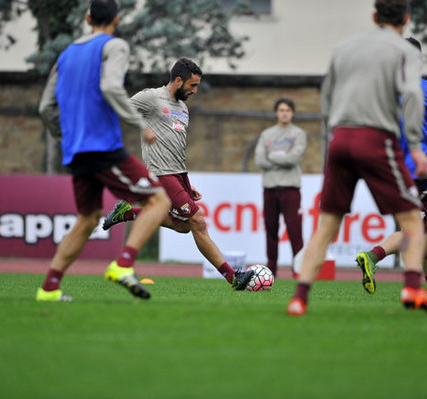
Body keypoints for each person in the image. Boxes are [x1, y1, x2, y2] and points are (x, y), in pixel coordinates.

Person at [287, 0, 427, 317]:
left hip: (340, 137)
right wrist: (415, 146)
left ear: (374, 17)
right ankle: (412, 289)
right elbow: (414, 95)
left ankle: (299, 299)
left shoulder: (346, 47)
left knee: (327, 226)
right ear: (406, 18)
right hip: (376, 140)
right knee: (413, 223)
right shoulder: (405, 52)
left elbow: (327, 91)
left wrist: (333, 127)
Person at [35, 0, 171, 302]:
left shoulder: (66, 54)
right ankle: (123, 266)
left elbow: (45, 107)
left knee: (88, 217)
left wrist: (66, 137)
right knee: (159, 200)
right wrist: (139, 123)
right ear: (116, 20)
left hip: (76, 150)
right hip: (102, 147)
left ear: (87, 19)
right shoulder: (115, 46)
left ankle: (49, 288)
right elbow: (111, 87)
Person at [102, 58, 254, 290]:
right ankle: (232, 277)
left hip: (178, 174)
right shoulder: (152, 98)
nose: (195, 91)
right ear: (179, 80)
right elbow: (121, 107)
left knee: (183, 226)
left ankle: (127, 213)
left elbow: (176, 147)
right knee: (198, 222)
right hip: (161, 174)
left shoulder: (183, 107)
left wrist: (186, 182)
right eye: (192, 86)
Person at [355, 37, 427, 301]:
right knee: (415, 232)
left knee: (422, 233)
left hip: (394, 171)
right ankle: (372, 256)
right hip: (424, 173)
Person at [254, 98, 307, 277]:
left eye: (288, 110)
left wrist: (272, 156)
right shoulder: (267, 134)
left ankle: (299, 269)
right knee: (270, 229)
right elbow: (259, 160)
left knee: (295, 230)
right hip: (270, 188)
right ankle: (271, 270)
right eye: (281, 110)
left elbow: (294, 159)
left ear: (292, 113)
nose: (284, 113)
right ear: (276, 113)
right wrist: (282, 156)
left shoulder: (298, 134)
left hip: (290, 188)